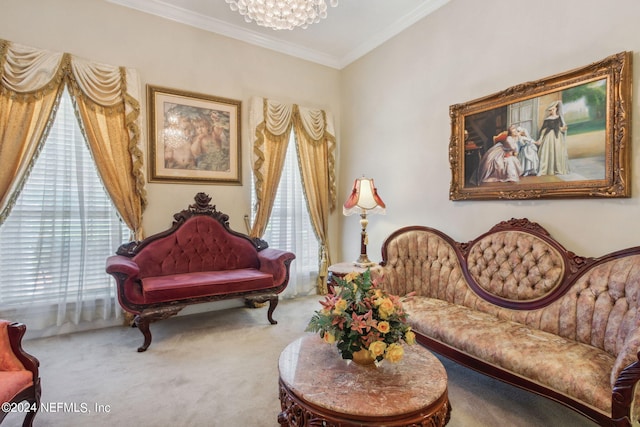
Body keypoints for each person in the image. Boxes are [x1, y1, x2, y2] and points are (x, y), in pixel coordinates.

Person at [537, 100, 570, 175]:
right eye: (551, 110)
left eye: (553, 109)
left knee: (557, 151)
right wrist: (541, 138)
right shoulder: (547, 119)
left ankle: (557, 169)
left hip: (558, 137)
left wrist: (563, 129)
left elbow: (561, 127)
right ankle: (548, 169)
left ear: (556, 109)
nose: (552, 111)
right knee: (548, 152)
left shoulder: (559, 118)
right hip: (548, 137)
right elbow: (543, 130)